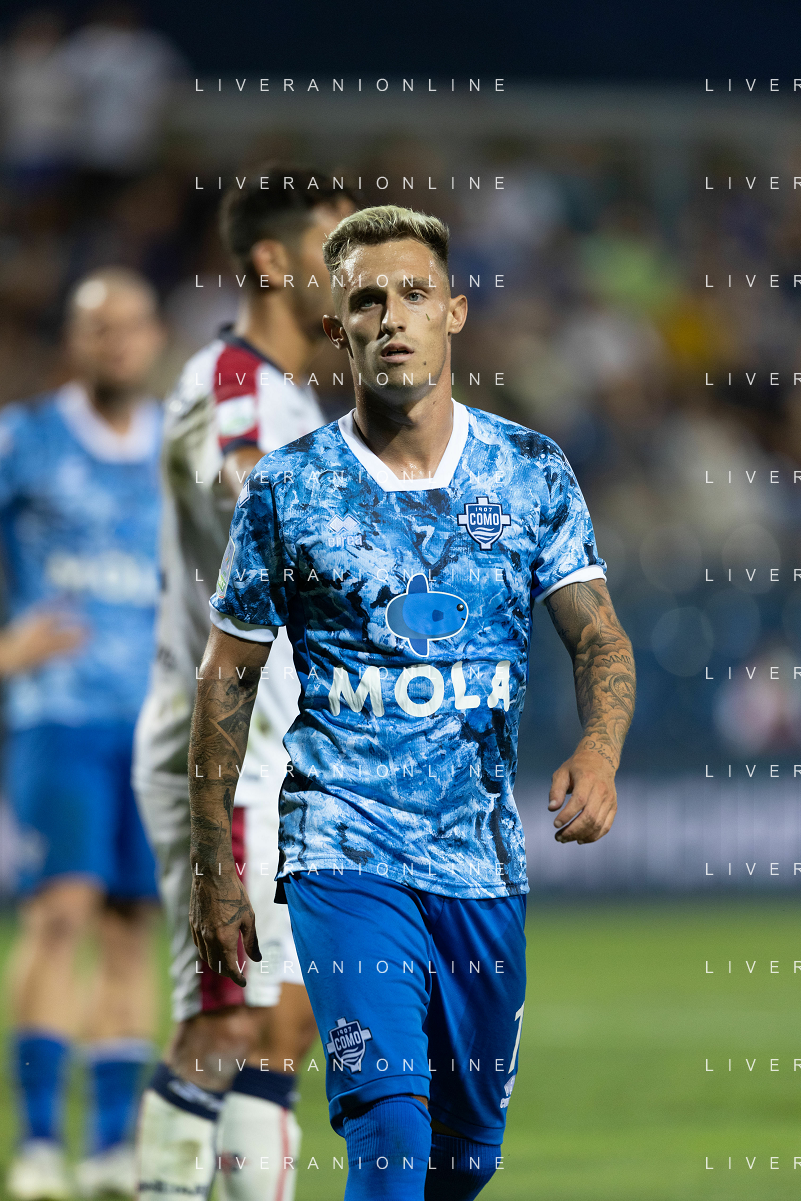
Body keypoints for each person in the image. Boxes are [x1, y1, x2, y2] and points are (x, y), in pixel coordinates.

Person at [187, 203, 637, 1199]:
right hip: (342, 851)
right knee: (390, 1125)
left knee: (464, 1158)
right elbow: (228, 676)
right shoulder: (288, 489)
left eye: (414, 293)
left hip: (480, 861)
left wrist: (600, 749)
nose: (391, 316)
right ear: (337, 325)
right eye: (366, 300)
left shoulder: (530, 471)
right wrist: (215, 867)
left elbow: (598, 634)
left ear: (455, 312)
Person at [133, 167, 357, 1201]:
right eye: (332, 250)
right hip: (223, 759)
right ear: (271, 261)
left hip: (276, 757)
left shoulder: (292, 396)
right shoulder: (231, 381)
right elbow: (244, 480)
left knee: (283, 1022)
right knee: (225, 1026)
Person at [1, 267, 165, 1201]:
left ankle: (108, 1148)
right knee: (60, 912)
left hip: (154, 724)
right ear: (75, 341)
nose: (117, 341)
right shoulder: (23, 440)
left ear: (153, 339)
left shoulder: (180, 451)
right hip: (56, 714)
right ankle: (35, 1145)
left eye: (132, 325)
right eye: (99, 326)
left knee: (130, 924)